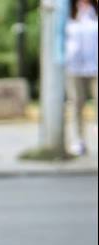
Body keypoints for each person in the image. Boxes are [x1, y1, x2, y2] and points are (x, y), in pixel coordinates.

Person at [66, 0, 98, 156]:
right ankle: (79, 140)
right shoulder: (68, 11)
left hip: (95, 67)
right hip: (75, 68)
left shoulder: (94, 15)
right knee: (77, 104)